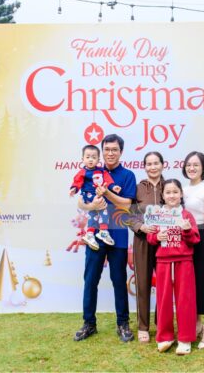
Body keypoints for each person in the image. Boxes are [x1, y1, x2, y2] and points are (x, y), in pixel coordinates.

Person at [74, 134, 137, 343]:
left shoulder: (127, 175)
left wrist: (107, 193)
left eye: (114, 150)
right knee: (90, 279)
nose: (110, 153)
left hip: (117, 234)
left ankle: (123, 323)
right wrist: (90, 205)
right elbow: (80, 202)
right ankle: (89, 323)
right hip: (94, 236)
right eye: (107, 149)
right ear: (102, 152)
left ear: (121, 152)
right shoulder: (91, 172)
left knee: (119, 280)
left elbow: (127, 204)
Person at [147, 179, 200, 355]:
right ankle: (165, 337)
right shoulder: (157, 215)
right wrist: (157, 237)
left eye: (175, 192)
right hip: (163, 262)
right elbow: (150, 237)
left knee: (185, 300)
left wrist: (187, 230)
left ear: (181, 194)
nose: (172, 195)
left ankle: (185, 339)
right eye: (168, 192)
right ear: (162, 195)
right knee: (163, 300)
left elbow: (195, 239)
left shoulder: (186, 216)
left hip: (184, 262)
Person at [182, 151, 204, 349]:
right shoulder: (182, 190)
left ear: (203, 168)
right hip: (186, 237)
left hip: (202, 235)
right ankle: (196, 323)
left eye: (196, 165)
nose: (192, 168)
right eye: (189, 164)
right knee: (190, 281)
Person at [129, 151, 164, 343]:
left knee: (164, 284)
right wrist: (141, 226)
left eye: (156, 163)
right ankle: (143, 327)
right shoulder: (137, 188)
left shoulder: (170, 186)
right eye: (149, 164)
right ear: (144, 167)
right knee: (142, 284)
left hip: (164, 242)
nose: (153, 167)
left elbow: (178, 210)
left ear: (162, 165)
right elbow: (129, 215)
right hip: (142, 240)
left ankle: (161, 323)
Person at [69, 144, 121, 250]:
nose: (90, 160)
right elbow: (77, 181)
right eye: (88, 157)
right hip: (88, 196)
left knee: (101, 213)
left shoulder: (102, 171)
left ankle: (99, 232)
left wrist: (113, 187)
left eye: (93, 157)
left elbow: (107, 180)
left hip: (99, 195)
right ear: (82, 159)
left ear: (98, 160)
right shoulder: (83, 172)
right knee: (94, 213)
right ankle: (94, 233)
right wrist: (74, 189)